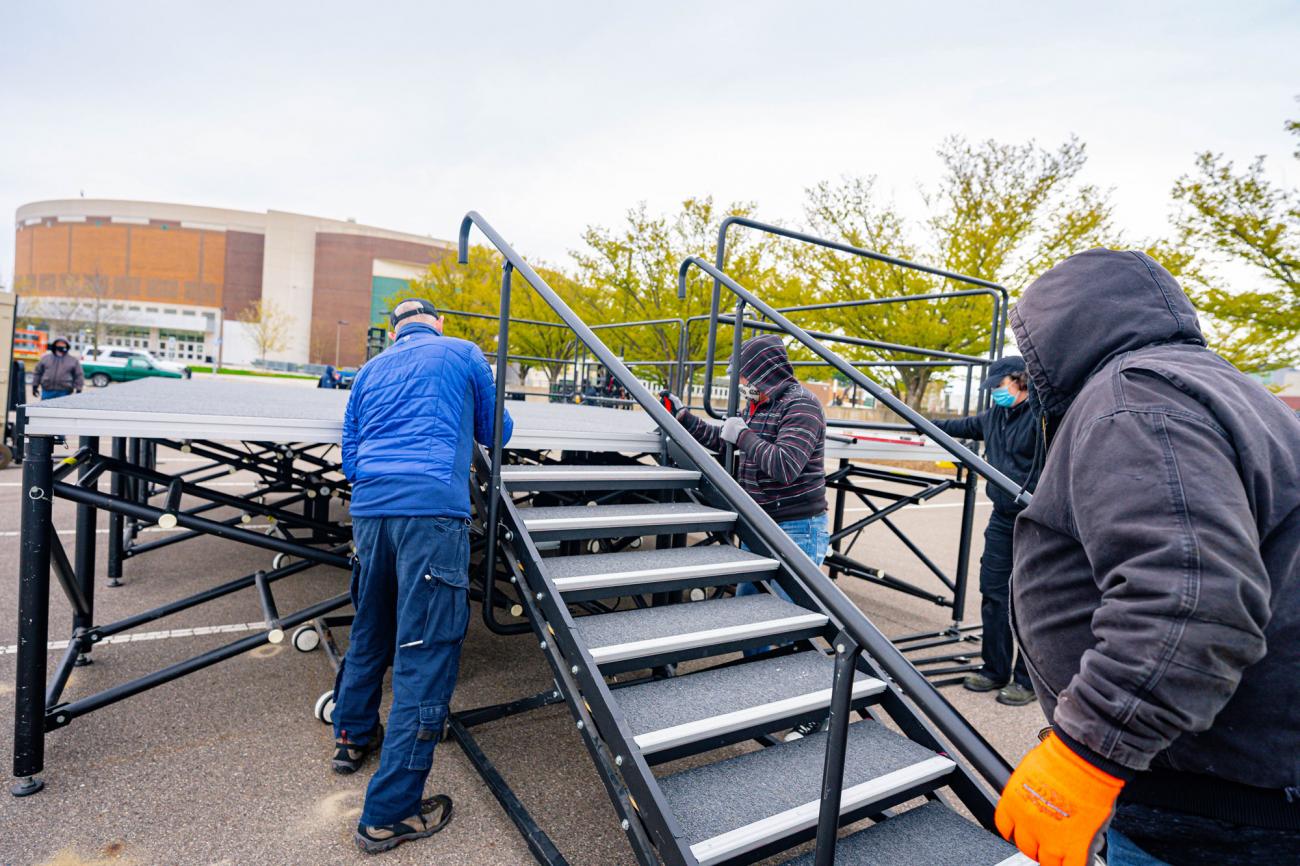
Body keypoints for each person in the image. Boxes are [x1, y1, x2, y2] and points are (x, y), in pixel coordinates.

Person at [993, 249, 1300, 866]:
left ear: (1059, 333)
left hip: (1207, 816)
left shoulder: (1132, 400)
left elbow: (1191, 597)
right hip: (1245, 779)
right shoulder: (1227, 387)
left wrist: (1086, 753)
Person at [333, 297, 513, 854]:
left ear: (393, 333)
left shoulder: (367, 371)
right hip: (431, 511)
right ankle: (389, 814)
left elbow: (350, 454)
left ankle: (350, 736)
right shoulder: (462, 352)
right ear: (437, 324)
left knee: (370, 626)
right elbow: (496, 430)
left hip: (370, 511)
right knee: (424, 653)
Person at [662, 334, 829, 736]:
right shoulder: (758, 406)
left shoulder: (802, 405)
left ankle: (813, 711)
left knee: (790, 627)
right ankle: (768, 697)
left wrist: (743, 435)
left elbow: (785, 465)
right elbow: (725, 436)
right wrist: (683, 417)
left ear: (764, 371)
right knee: (752, 623)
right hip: (761, 528)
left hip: (796, 529)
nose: (742, 382)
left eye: (746, 373)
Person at [929, 355, 1041, 707]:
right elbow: (959, 426)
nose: (994, 394)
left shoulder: (1042, 416)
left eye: (998, 386)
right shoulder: (994, 416)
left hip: (1039, 521)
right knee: (993, 592)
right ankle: (994, 669)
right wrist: (919, 421)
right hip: (1002, 518)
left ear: (1019, 380)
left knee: (1031, 601)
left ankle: (1028, 680)